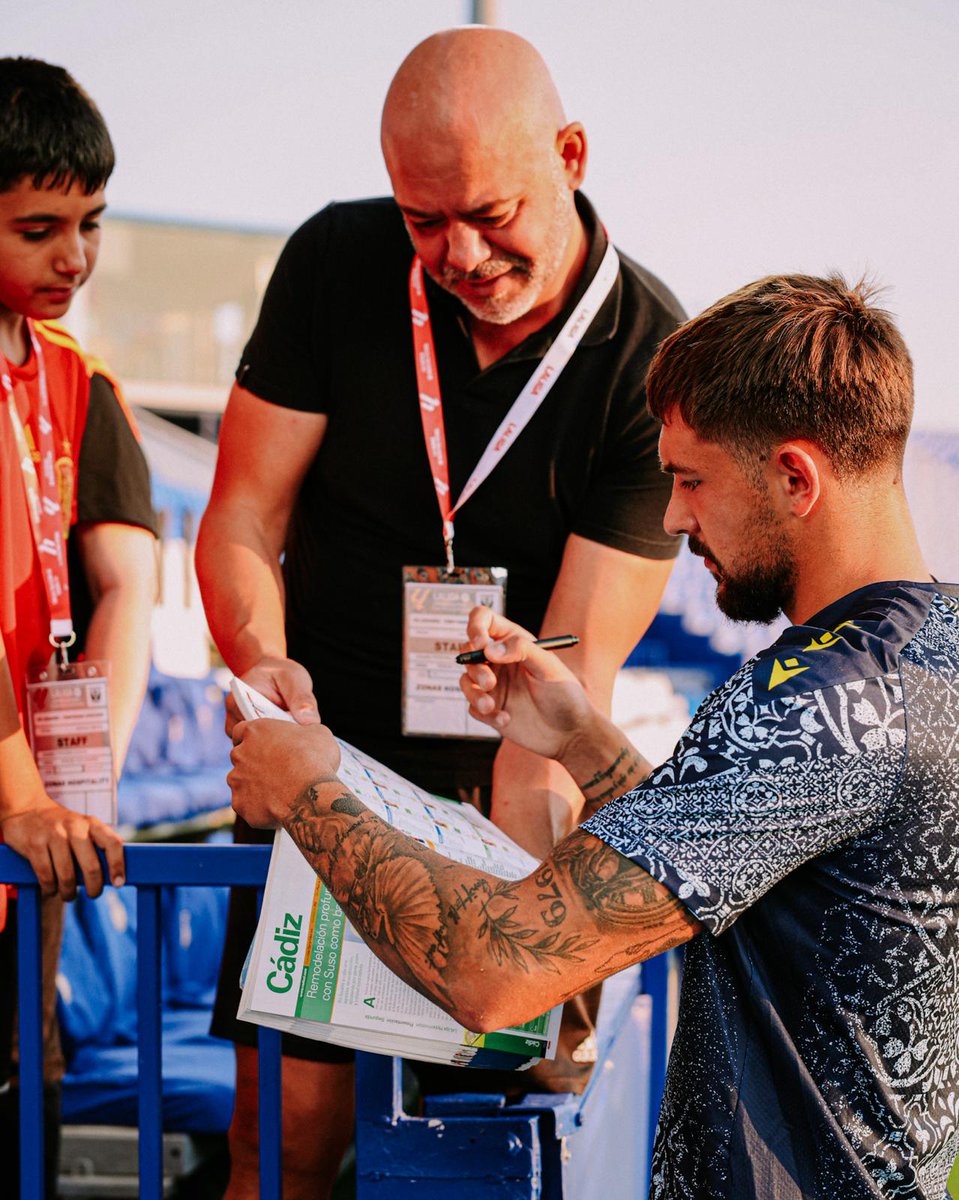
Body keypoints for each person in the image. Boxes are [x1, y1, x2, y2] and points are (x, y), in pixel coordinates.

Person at [229, 273, 959, 1200]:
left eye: (691, 480)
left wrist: (307, 788)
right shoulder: (932, 654)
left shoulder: (814, 702)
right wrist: (579, 741)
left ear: (793, 475)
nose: (672, 517)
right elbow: (759, 870)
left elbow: (494, 967)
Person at [196, 25, 684, 1199]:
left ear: (569, 153)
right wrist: (261, 661)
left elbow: (575, 668)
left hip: (497, 796)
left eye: (488, 212)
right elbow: (240, 517)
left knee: (481, 1152)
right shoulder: (332, 260)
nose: (458, 253)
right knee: (287, 1141)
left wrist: (522, 925)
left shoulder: (648, 352)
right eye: (424, 221)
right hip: (320, 768)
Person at [0, 57, 156, 1196]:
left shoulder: (75, 382)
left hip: (30, 822)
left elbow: (126, 582)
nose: (75, 257)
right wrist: (21, 794)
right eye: (38, 228)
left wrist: (78, 788)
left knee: (25, 1091)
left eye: (91, 223)